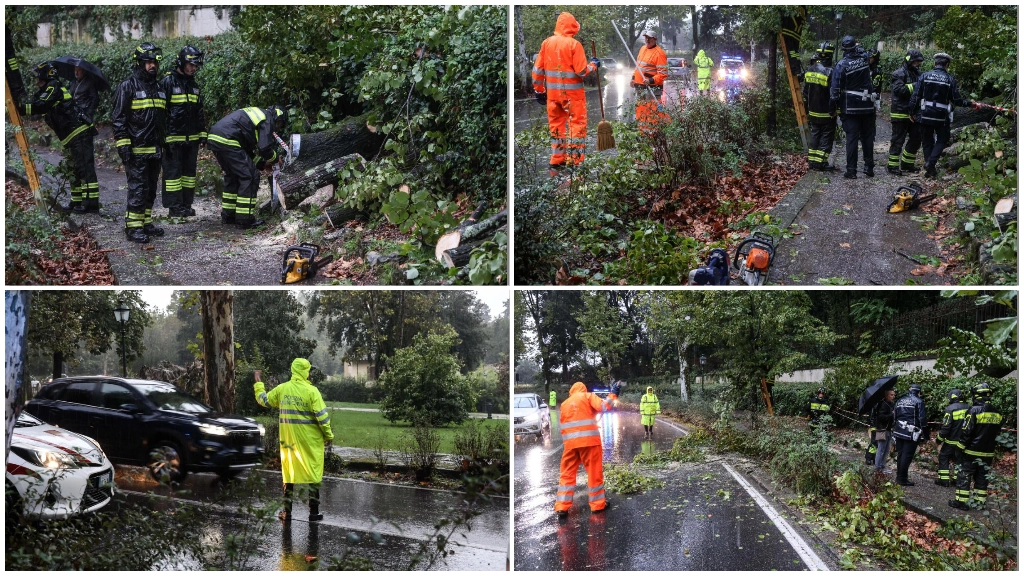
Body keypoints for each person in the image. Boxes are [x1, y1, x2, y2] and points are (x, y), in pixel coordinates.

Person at [254, 358, 334, 522]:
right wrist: (328, 436)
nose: (310, 373)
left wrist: (258, 383)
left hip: (289, 442)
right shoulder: (312, 392)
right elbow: (323, 419)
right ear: (304, 372)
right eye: (309, 370)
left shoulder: (283, 389)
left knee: (289, 474)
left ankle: (287, 513)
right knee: (313, 474)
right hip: (310, 442)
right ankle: (313, 513)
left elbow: (264, 400)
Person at [18, 62, 98, 213]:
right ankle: (77, 201)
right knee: (73, 170)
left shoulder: (53, 87)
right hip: (70, 136)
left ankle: (91, 204)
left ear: (45, 75)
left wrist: (20, 108)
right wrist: (19, 106)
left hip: (79, 133)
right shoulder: (46, 89)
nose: (36, 81)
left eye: (38, 77)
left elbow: (40, 105)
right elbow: (34, 103)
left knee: (84, 169)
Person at [531, 12, 599, 174]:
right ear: (572, 26)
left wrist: (539, 91)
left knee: (556, 126)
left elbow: (537, 70)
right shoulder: (574, 45)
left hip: (553, 96)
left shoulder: (547, 43)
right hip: (572, 96)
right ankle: (575, 161)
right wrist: (594, 65)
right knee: (577, 125)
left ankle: (557, 159)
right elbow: (582, 71)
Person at [112, 42, 167, 243]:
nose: (152, 66)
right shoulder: (127, 86)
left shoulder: (160, 88)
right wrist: (124, 145)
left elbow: (163, 119)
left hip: (155, 149)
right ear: (139, 63)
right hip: (136, 149)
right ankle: (133, 227)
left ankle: (145, 222)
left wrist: (165, 143)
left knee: (151, 188)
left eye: (155, 62)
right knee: (138, 188)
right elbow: (118, 118)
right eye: (148, 62)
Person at [207, 105, 289, 229]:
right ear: (278, 117)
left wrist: (262, 164)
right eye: (279, 124)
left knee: (233, 176)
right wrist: (276, 159)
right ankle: (244, 220)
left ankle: (229, 215)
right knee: (250, 177)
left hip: (216, 137)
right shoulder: (267, 118)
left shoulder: (256, 115)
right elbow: (265, 148)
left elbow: (246, 153)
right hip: (229, 139)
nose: (277, 127)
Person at [908, 52, 978, 178]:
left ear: (935, 64)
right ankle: (931, 165)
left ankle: (929, 166)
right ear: (947, 65)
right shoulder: (950, 79)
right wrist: (970, 103)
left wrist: (911, 112)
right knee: (942, 139)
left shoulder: (924, 76)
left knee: (927, 141)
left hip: (925, 115)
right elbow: (957, 101)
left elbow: (915, 96)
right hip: (941, 117)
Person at [160, 45, 207, 218]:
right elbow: (161, 112)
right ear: (181, 62)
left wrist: (202, 134)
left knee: (188, 174)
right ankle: (174, 207)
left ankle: (186, 204)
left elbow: (199, 112)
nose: (194, 68)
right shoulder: (167, 82)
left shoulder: (194, 86)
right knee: (172, 175)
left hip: (192, 139)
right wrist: (163, 136)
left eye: (196, 65)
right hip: (172, 139)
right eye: (191, 64)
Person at [555, 381, 611, 518]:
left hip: (570, 445)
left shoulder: (564, 404)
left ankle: (562, 507)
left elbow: (564, 425)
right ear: (583, 389)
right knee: (593, 473)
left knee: (566, 475)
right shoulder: (588, 396)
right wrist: (613, 395)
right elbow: (604, 406)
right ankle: (597, 505)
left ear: (571, 391)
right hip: (589, 443)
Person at [830, 36, 876, 179]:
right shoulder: (864, 59)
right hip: (867, 106)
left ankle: (851, 170)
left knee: (852, 139)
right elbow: (868, 54)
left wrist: (833, 108)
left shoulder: (841, 65)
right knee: (868, 137)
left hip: (850, 107)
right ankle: (869, 168)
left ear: (843, 49)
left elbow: (835, 89)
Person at [950, 383, 1002, 510]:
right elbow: (997, 433)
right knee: (982, 476)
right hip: (988, 453)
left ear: (977, 395)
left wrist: (960, 447)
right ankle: (980, 503)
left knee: (964, 475)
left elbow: (967, 432)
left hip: (971, 451)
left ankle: (962, 502)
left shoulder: (973, 410)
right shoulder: (997, 412)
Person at [68, 64, 100, 212]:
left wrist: (87, 114)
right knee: (76, 165)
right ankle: (77, 200)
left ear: (84, 71)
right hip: (73, 128)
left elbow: (94, 101)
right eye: (74, 70)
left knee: (86, 165)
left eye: (78, 70)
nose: (76, 72)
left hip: (84, 127)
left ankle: (91, 203)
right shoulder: (73, 83)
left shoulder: (90, 83)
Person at [887, 50, 925, 175]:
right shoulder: (898, 73)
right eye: (916, 61)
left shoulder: (918, 74)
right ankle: (892, 166)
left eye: (919, 61)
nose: (918, 63)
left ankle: (907, 164)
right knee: (898, 140)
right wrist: (916, 85)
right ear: (909, 60)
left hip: (914, 113)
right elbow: (899, 90)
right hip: (900, 112)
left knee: (916, 138)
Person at [803, 43, 837, 171]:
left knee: (815, 135)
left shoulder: (810, 69)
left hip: (813, 111)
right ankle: (821, 163)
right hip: (826, 113)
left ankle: (812, 162)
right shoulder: (831, 71)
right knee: (826, 137)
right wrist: (834, 110)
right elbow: (833, 95)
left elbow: (805, 92)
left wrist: (807, 108)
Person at [631, 29, 669, 135]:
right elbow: (638, 66)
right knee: (641, 108)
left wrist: (651, 80)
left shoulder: (660, 53)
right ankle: (642, 131)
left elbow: (663, 74)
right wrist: (633, 78)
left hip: (652, 88)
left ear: (654, 39)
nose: (647, 40)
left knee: (652, 110)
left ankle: (655, 132)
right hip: (640, 87)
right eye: (646, 37)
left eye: (649, 38)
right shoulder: (642, 49)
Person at [892, 383, 929, 486]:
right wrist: (926, 435)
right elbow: (922, 419)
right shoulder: (919, 401)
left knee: (900, 454)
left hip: (898, 431)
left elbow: (894, 416)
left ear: (910, 390)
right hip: (911, 432)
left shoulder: (899, 400)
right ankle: (902, 479)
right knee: (907, 456)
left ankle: (899, 477)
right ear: (919, 392)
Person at [935, 388, 969, 486]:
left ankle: (944, 481)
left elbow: (946, 427)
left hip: (951, 441)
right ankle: (956, 480)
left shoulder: (950, 409)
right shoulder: (969, 408)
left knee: (943, 457)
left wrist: (938, 439)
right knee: (959, 460)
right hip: (963, 442)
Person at [871, 389, 896, 472]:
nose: (893, 396)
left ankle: (882, 466)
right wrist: (891, 414)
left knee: (887, 449)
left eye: (894, 395)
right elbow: (881, 417)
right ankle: (877, 467)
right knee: (881, 449)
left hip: (888, 429)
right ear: (886, 395)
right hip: (881, 429)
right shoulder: (882, 404)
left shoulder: (891, 404)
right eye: (891, 395)